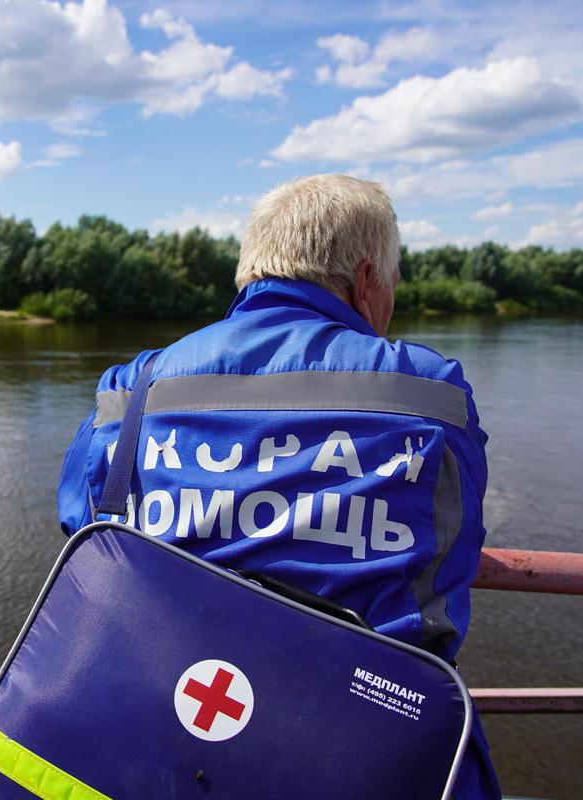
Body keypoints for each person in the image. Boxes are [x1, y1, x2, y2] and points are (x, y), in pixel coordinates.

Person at [56, 173, 500, 798]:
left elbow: (86, 536)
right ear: (367, 280)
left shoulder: (133, 389)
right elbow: (452, 548)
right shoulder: (428, 392)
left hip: (157, 742)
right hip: (361, 756)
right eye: (394, 285)